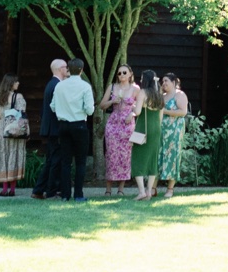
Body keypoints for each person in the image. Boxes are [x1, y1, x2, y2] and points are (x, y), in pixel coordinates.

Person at [48, 60, 96, 202]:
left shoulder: (60, 86)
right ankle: (78, 194)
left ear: (68, 69)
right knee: (80, 162)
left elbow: (53, 106)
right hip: (79, 124)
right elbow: (89, 109)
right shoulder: (85, 86)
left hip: (63, 125)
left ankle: (65, 195)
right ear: (81, 70)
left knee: (65, 162)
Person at [99, 63, 140, 196]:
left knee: (125, 156)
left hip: (127, 125)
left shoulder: (135, 89)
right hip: (113, 123)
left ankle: (121, 189)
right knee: (111, 155)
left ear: (130, 74)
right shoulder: (112, 87)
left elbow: (139, 108)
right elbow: (101, 105)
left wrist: (132, 114)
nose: (121, 75)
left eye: (124, 72)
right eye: (119, 73)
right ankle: (108, 189)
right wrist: (112, 102)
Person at [32, 59, 69, 200]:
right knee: (55, 161)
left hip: (50, 128)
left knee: (50, 161)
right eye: (66, 67)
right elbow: (57, 109)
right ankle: (51, 191)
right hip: (55, 128)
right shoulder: (56, 85)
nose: (67, 70)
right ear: (60, 69)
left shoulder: (51, 84)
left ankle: (39, 190)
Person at [0, 74, 29, 197]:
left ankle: (4, 189)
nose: (18, 84)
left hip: (3, 129)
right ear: (11, 83)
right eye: (16, 82)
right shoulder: (18, 97)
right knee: (14, 155)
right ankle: (12, 189)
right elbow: (21, 113)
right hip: (14, 129)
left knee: (3, 156)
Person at [131, 71, 164, 200]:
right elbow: (160, 117)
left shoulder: (143, 92)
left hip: (143, 128)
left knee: (138, 158)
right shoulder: (159, 95)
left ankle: (141, 192)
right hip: (156, 128)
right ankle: (149, 191)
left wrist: (133, 107)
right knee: (152, 160)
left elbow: (138, 112)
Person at [156, 73, 189, 197]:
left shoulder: (179, 95)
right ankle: (153, 188)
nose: (163, 83)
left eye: (166, 81)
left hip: (174, 130)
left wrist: (165, 111)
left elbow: (183, 112)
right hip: (161, 131)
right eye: (162, 81)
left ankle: (170, 189)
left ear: (174, 82)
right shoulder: (162, 96)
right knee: (159, 155)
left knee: (173, 156)